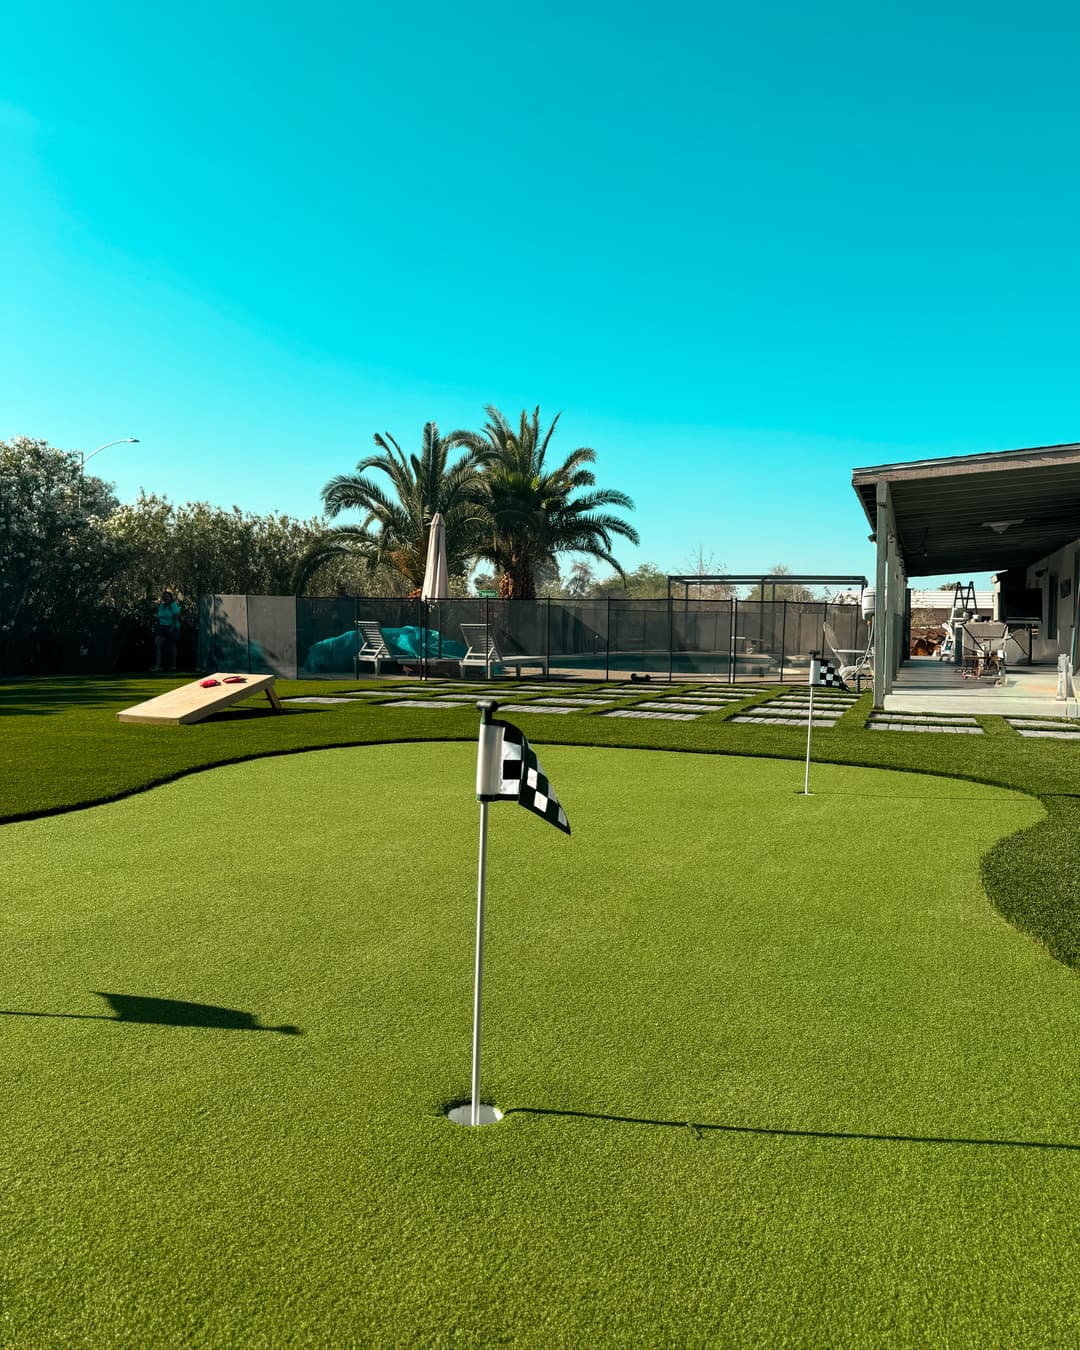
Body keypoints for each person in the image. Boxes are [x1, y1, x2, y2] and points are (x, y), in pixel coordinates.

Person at [151, 589, 181, 672]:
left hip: (173, 627)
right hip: (162, 627)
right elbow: (159, 616)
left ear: (171, 598)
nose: (166, 598)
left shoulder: (173, 605)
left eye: (168, 597)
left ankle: (173, 666)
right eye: (164, 597)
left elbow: (176, 615)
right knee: (157, 644)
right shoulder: (161, 606)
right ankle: (158, 666)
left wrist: (172, 627)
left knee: (172, 646)